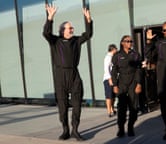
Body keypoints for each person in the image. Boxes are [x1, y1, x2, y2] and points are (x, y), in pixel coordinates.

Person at [42, 4, 93, 141]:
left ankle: (75, 130)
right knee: (63, 107)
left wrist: (88, 20)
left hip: (74, 75)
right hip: (60, 76)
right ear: (62, 30)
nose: (72, 30)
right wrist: (50, 18)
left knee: (77, 105)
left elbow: (88, 34)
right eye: (69, 28)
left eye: (72, 28)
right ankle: (65, 129)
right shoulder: (55, 41)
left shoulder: (76, 41)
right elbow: (46, 33)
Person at [111, 35, 142, 137]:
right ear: (122, 43)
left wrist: (138, 83)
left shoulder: (136, 54)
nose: (130, 43)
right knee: (122, 108)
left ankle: (130, 127)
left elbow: (138, 70)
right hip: (122, 82)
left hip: (133, 81)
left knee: (134, 107)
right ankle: (121, 128)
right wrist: (115, 85)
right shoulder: (117, 55)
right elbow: (114, 71)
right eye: (127, 41)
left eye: (131, 41)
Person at [103, 44, 117, 117]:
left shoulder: (113, 57)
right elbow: (106, 69)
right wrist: (109, 79)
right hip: (108, 79)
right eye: (116, 49)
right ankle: (109, 111)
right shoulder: (108, 57)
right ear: (113, 49)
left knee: (113, 95)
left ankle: (112, 108)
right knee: (109, 95)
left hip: (114, 78)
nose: (117, 50)